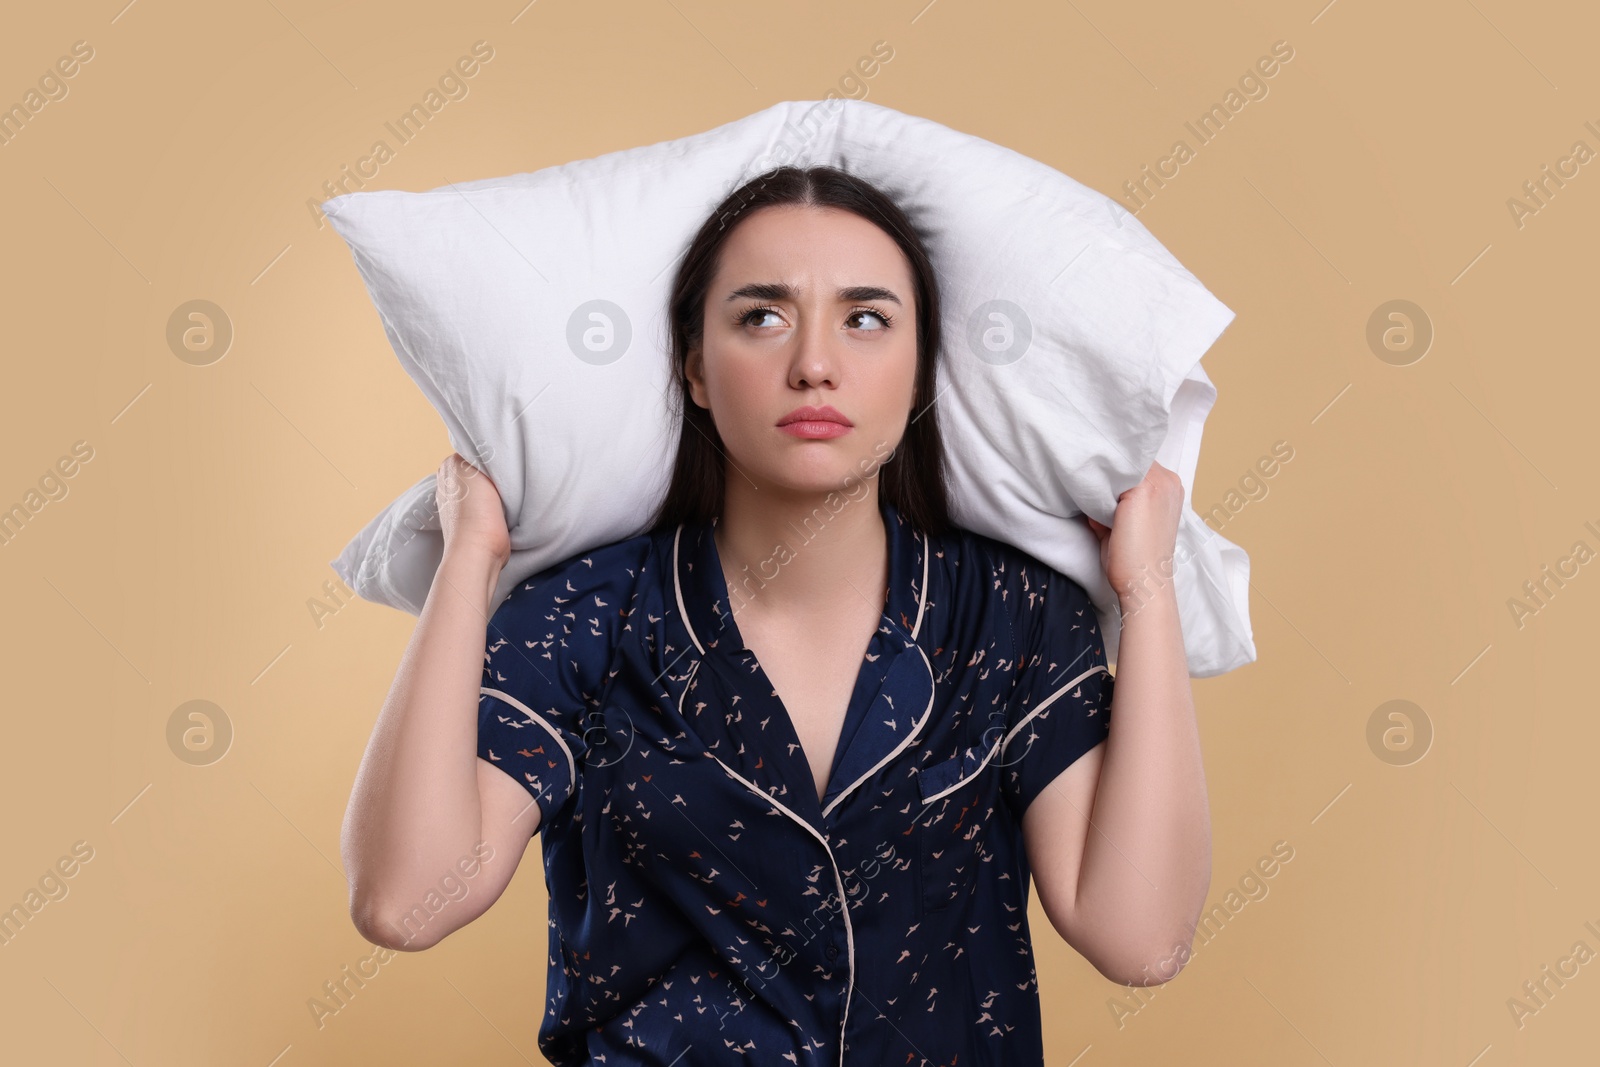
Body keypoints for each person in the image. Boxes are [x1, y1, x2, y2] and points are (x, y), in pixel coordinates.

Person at [340, 165, 1211, 1066]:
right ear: (696, 370)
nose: (814, 364)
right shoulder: (586, 618)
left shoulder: (1012, 616)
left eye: (866, 318)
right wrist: (472, 556)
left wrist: (1146, 587)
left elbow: (1141, 939)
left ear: (920, 373)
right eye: (761, 316)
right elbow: (404, 902)